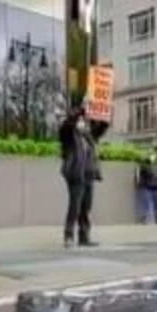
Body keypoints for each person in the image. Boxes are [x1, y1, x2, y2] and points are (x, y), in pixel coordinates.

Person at [59, 101, 110, 248]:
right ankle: (68, 235)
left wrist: (104, 113)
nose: (83, 122)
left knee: (86, 207)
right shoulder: (69, 134)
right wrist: (80, 111)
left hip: (88, 174)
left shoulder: (89, 136)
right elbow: (67, 125)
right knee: (75, 205)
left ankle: (84, 236)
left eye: (85, 120)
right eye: (81, 120)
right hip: (75, 173)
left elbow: (102, 127)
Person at [135, 147, 157, 225]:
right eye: (150, 154)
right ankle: (144, 219)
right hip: (147, 186)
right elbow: (139, 174)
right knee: (146, 204)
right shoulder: (144, 164)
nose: (152, 156)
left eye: (153, 154)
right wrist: (140, 183)